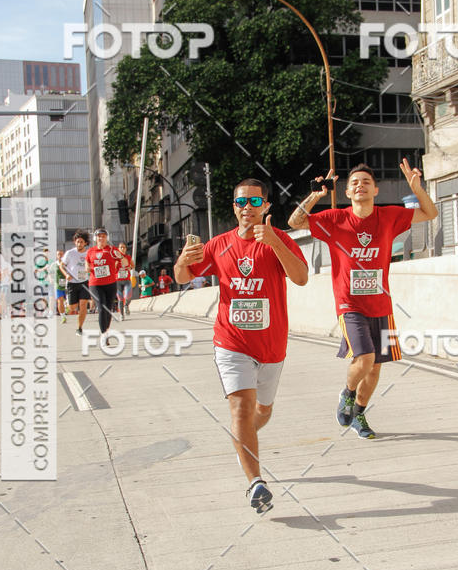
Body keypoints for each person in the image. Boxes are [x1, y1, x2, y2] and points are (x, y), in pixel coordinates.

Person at [174, 178, 308, 514]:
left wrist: (275, 242)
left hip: (272, 345)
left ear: (266, 206)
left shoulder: (279, 241)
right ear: (233, 208)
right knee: (241, 410)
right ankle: (256, 484)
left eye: (253, 201)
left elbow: (301, 277)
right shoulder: (219, 245)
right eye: (240, 202)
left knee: (261, 412)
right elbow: (182, 277)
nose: (246, 208)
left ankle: (242, 437)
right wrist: (182, 260)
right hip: (231, 342)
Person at [288, 159, 437, 438]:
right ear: (347, 192)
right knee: (365, 358)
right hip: (349, 304)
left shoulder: (390, 216)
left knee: (375, 369)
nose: (360, 186)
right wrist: (316, 196)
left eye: (366, 182)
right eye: (354, 183)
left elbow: (430, 212)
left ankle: (358, 414)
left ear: (376, 190)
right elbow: (294, 221)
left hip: (381, 306)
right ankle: (347, 394)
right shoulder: (334, 219)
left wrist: (417, 188)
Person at [85, 228, 127, 344]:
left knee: (108, 309)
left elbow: (125, 263)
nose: (101, 238)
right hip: (95, 284)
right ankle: (104, 334)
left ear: (106, 238)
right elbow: (87, 264)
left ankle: (106, 331)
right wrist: (87, 268)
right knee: (102, 307)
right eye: (99, 236)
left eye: (103, 236)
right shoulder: (91, 251)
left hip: (110, 283)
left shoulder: (112, 250)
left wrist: (121, 256)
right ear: (96, 239)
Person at [60, 231, 90, 336]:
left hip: (84, 282)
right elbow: (61, 265)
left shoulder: (88, 253)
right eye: (77, 242)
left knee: (83, 305)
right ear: (75, 242)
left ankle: (79, 328)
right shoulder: (70, 253)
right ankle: (67, 304)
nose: (79, 244)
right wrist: (66, 275)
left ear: (85, 243)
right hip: (72, 282)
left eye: (81, 242)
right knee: (73, 308)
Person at [115, 242, 134, 319]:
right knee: (120, 298)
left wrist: (130, 267)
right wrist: (116, 263)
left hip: (126, 280)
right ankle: (121, 315)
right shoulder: (115, 258)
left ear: (126, 249)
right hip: (118, 280)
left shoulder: (128, 257)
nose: (122, 249)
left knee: (128, 295)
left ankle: (126, 305)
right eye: (121, 247)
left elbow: (133, 265)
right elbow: (112, 267)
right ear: (118, 249)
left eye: (124, 247)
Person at [48, 250, 67, 322]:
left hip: (67, 284)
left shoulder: (66, 264)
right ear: (56, 256)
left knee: (67, 302)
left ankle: (66, 311)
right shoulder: (54, 265)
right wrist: (51, 279)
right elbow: (50, 273)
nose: (60, 256)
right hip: (58, 285)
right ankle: (63, 316)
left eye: (61, 254)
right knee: (60, 300)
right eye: (58, 254)